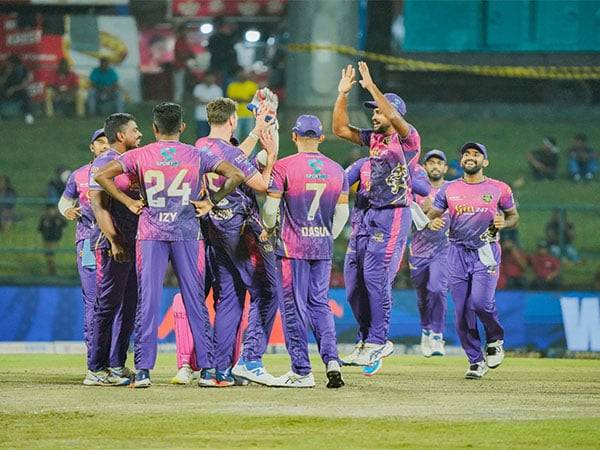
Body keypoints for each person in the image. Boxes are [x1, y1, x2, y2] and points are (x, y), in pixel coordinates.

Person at [94, 102, 245, 388]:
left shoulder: (139, 154)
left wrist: (128, 201)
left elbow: (101, 175)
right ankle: (209, 371)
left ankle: (143, 372)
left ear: (154, 129)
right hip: (187, 232)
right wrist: (210, 202)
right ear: (183, 127)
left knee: (148, 301)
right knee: (195, 302)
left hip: (150, 233)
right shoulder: (197, 154)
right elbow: (236, 174)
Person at [333, 61, 420, 367]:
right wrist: (342, 94)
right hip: (365, 214)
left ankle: (378, 341)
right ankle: (365, 338)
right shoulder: (374, 139)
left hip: (393, 214)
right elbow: (339, 129)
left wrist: (371, 86)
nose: (374, 114)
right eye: (373, 110)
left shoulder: (408, 141)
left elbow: (395, 117)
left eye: (378, 110)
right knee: (353, 281)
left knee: (375, 276)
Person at [194, 98, 279, 387]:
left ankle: (220, 372)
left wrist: (255, 132)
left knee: (228, 299)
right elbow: (262, 185)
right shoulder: (230, 152)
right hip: (242, 232)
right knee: (268, 292)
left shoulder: (200, 147)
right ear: (232, 121)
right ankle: (251, 360)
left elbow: (233, 156)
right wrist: (273, 154)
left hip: (214, 229)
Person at [263, 114, 349, 388]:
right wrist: (325, 236)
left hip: (291, 248)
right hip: (321, 247)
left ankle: (301, 370)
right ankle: (332, 360)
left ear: (294, 136)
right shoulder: (337, 170)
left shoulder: (284, 167)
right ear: (321, 138)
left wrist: (269, 228)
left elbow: (270, 209)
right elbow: (342, 213)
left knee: (293, 308)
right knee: (320, 305)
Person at [427, 142, 519, 379]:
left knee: (480, 303)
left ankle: (495, 339)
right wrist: (431, 222)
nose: (470, 157)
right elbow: (431, 214)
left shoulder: (499, 188)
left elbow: (513, 216)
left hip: (485, 250)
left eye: (476, 154)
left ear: (484, 162)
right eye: (466, 154)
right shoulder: (449, 188)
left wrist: (505, 224)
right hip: (456, 252)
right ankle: (475, 361)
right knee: (461, 311)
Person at [85, 113, 142, 387]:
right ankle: (96, 368)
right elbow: (98, 205)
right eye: (135, 130)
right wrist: (114, 240)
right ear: (121, 135)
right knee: (107, 306)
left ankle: (117, 364)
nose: (139, 134)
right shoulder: (104, 163)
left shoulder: (129, 163)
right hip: (112, 246)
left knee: (129, 306)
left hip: (132, 244)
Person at [58, 129, 110, 359]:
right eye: (100, 142)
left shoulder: (122, 171)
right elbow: (64, 202)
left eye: (109, 141)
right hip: (88, 243)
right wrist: (67, 210)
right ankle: (95, 356)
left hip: (116, 242)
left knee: (116, 300)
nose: (105, 146)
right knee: (93, 298)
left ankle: (114, 357)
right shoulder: (79, 175)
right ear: (92, 147)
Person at [409, 150, 450, 358]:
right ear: (424, 167)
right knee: (423, 294)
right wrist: (425, 217)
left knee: (437, 289)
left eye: (439, 163)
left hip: (444, 249)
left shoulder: (452, 189)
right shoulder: (416, 190)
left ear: (445, 168)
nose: (435, 166)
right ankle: (425, 329)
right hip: (419, 249)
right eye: (431, 162)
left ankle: (437, 335)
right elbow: (407, 217)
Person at [0, 54, 34, 124]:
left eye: (8, 62)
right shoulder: (4, 69)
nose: (7, 63)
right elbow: (1, 83)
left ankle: (28, 115)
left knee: (25, 94)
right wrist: (6, 73)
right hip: (5, 90)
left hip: (17, 90)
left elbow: (25, 84)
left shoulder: (23, 69)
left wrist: (13, 89)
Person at [226, 68, 258, 140]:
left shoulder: (253, 85)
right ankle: (235, 151)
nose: (242, 76)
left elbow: (253, 99)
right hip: (235, 115)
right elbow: (231, 99)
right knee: (235, 136)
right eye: (240, 74)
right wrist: (245, 99)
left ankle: (252, 151)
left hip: (249, 114)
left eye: (243, 74)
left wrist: (239, 99)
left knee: (251, 137)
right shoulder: (232, 86)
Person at [207, 16, 238, 86]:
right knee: (220, 85)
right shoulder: (214, 38)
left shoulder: (230, 37)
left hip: (227, 66)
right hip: (220, 65)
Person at [38, 204, 67, 275]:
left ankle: (53, 269)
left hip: (55, 239)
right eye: (49, 210)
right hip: (46, 239)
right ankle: (50, 269)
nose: (51, 212)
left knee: (52, 254)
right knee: (48, 255)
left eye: (52, 210)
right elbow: (40, 228)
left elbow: (64, 225)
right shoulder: (44, 218)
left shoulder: (58, 218)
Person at [193, 71, 223, 138]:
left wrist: (204, 101)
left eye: (212, 77)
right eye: (208, 77)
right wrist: (211, 102)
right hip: (201, 117)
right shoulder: (198, 87)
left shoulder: (218, 89)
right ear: (204, 78)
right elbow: (197, 100)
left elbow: (218, 103)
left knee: (213, 139)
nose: (210, 79)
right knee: (201, 137)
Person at [173, 26, 194, 103]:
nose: (185, 33)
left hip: (184, 67)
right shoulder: (179, 41)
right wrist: (189, 55)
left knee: (183, 88)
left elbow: (191, 54)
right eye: (183, 31)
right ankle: (177, 104)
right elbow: (181, 55)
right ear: (180, 32)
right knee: (179, 88)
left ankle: (181, 103)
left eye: (186, 31)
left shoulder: (184, 41)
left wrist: (190, 55)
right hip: (179, 67)